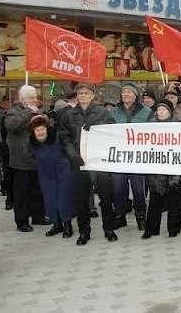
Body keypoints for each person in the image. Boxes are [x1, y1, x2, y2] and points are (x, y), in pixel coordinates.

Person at [59, 82, 117, 246]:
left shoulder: (102, 112)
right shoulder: (69, 115)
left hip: (100, 161)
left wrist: (99, 125)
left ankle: (109, 229)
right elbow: (64, 138)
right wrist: (73, 156)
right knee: (81, 199)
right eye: (80, 93)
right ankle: (84, 232)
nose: (83, 96)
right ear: (77, 96)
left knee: (106, 197)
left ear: (93, 95)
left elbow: (113, 131)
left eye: (86, 93)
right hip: (79, 162)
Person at [142, 100, 181, 239]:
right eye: (159, 109)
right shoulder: (149, 126)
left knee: (173, 201)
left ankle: (173, 229)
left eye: (164, 110)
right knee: (154, 201)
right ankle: (151, 229)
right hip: (156, 170)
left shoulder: (177, 126)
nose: (161, 112)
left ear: (170, 111)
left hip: (172, 170)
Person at [4, 85, 47, 232]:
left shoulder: (38, 112)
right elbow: (12, 126)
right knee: (21, 193)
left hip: (37, 159)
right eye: (31, 97)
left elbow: (47, 128)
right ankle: (21, 221)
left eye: (35, 97)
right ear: (22, 99)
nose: (35, 100)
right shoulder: (12, 112)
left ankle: (38, 216)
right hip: (20, 161)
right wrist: (28, 112)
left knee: (37, 190)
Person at [110, 82, 152, 231]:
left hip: (137, 157)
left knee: (138, 189)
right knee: (118, 189)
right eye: (123, 92)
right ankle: (120, 216)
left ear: (136, 94)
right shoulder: (114, 112)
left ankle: (141, 217)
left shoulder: (146, 112)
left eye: (129, 92)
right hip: (119, 157)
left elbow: (154, 132)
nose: (126, 94)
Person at [28, 115, 74, 238]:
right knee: (50, 199)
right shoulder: (31, 143)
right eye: (37, 130)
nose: (41, 132)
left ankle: (67, 224)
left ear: (47, 129)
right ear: (33, 131)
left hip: (62, 171)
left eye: (42, 129)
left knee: (63, 198)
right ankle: (56, 224)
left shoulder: (56, 138)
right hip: (46, 175)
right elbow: (31, 158)